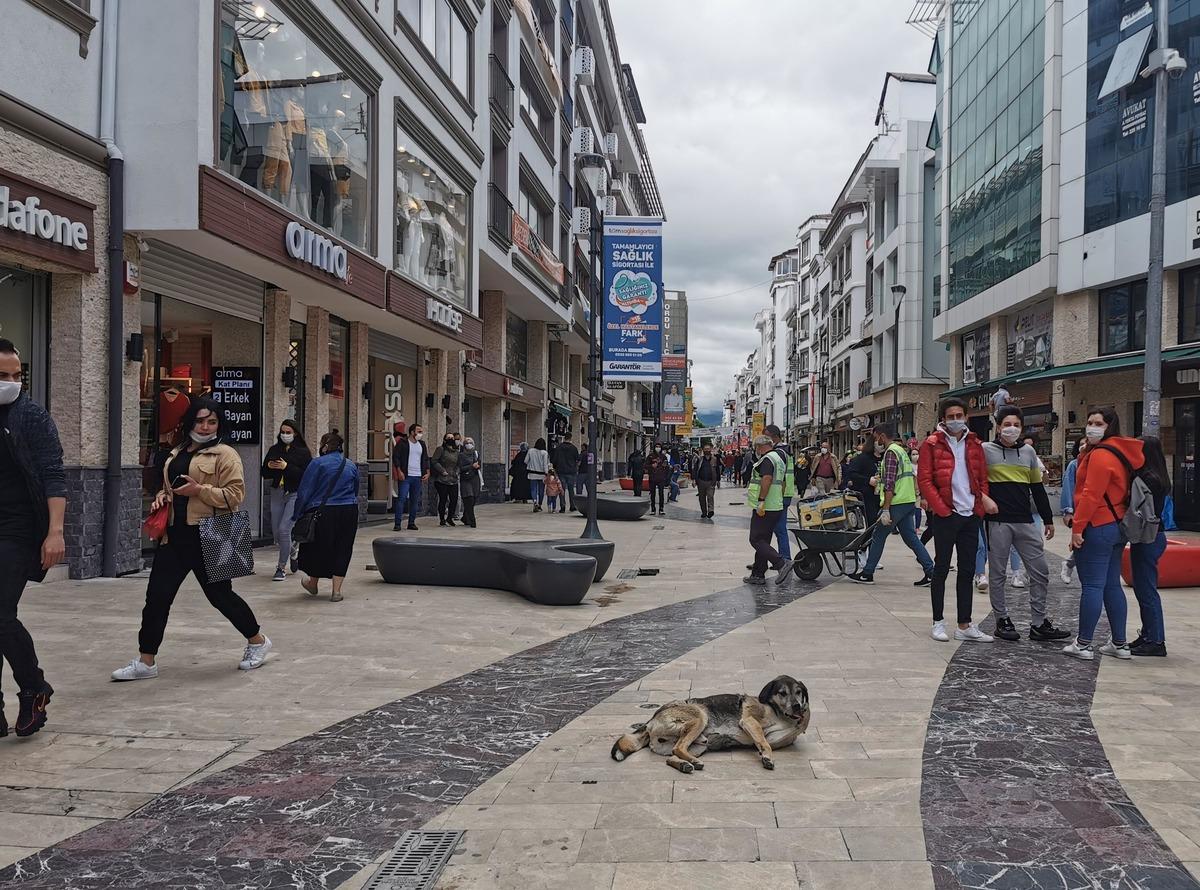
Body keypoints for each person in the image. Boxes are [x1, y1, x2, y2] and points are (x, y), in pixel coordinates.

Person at [112, 398, 271, 681]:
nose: (205, 426)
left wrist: (200, 490)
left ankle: (257, 641)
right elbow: (171, 486)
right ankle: (146, 660)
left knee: (220, 596)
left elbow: (235, 496)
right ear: (190, 422)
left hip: (212, 533)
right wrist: (164, 496)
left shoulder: (225, 454)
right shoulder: (177, 451)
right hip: (174, 536)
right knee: (157, 598)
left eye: (211, 421)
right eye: (200, 421)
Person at [0, 339, 63, 735]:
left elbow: (54, 474)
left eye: (16, 376)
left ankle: (34, 688)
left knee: (1, 614)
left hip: (20, 528)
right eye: (2, 376)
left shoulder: (31, 416)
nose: (11, 382)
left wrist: (55, 532)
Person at [984, 407, 1072, 643]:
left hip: (1025, 521)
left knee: (1040, 571)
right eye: (1006, 424)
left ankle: (1039, 623)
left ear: (1021, 427)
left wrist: (1047, 519)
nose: (1011, 428)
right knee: (998, 574)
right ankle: (1002, 620)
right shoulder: (985, 450)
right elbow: (975, 483)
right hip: (997, 522)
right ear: (998, 426)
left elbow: (1037, 488)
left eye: (1016, 424)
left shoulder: (1028, 452)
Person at [912, 399, 993, 643]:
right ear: (943, 419)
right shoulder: (932, 444)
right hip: (947, 516)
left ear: (966, 417)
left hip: (970, 516)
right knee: (941, 568)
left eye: (960, 415)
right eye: (951, 415)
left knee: (967, 570)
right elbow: (925, 480)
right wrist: (942, 510)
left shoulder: (974, 443)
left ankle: (964, 624)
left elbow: (982, 477)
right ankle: (938, 622)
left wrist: (979, 506)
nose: (956, 419)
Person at [1064, 407, 1138, 660]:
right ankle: (1119, 643)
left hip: (1097, 525)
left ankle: (1083, 643)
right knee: (1110, 586)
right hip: (1117, 526)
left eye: (1099, 423)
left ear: (1110, 426)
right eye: (1090, 422)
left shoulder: (1100, 456)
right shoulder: (1121, 452)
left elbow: (1090, 495)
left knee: (1093, 586)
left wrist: (1077, 528)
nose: (1092, 427)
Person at [848, 424, 936, 589]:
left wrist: (886, 509)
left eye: (876, 437)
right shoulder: (901, 450)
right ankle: (931, 572)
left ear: (882, 436)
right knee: (911, 538)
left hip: (897, 502)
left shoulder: (890, 453)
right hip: (908, 500)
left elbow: (890, 484)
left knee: (878, 535)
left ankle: (867, 573)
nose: (876, 441)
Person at [294, 431, 359, 602]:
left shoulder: (317, 464)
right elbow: (356, 489)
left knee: (317, 547)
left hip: (324, 512)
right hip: (349, 510)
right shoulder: (351, 465)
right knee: (343, 547)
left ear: (324, 446)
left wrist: (298, 513)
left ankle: (312, 583)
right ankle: (336, 591)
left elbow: (304, 491)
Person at [1128, 436, 1170, 657]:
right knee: (1144, 588)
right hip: (1155, 536)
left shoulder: (1147, 478)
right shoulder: (1159, 476)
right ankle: (1148, 634)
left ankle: (1155, 639)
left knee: (1146, 590)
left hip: (1148, 536)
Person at [261, 420, 311, 580]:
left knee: (284, 529)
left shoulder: (303, 452)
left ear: (295, 433)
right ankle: (293, 552)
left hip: (294, 493)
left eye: (288, 432)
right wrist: (269, 466)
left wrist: (286, 467)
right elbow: (264, 472)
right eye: (282, 431)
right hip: (277, 491)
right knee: (277, 533)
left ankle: (281, 567)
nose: (284, 435)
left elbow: (306, 476)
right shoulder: (274, 449)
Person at [744, 434, 796, 586]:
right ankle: (758, 574)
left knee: (755, 539)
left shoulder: (768, 459)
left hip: (766, 506)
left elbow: (767, 479)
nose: (756, 450)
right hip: (775, 504)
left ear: (761, 446)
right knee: (764, 539)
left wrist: (761, 501)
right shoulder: (779, 458)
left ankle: (781, 563)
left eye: (756, 447)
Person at [1059, 438, 1087, 584]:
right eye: (1081, 443)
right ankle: (1069, 564)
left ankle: (1069, 563)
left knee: (1086, 542)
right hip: (1079, 510)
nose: (1084, 446)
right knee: (1081, 540)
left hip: (1097, 511)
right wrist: (1068, 511)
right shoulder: (1074, 465)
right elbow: (1068, 487)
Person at [765, 425, 795, 560]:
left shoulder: (779, 452)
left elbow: (780, 476)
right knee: (773, 529)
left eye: (766, 436)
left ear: (774, 436)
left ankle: (785, 559)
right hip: (783, 494)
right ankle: (774, 558)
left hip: (781, 495)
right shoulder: (784, 450)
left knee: (779, 529)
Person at [391, 423, 429, 531]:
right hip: (406, 475)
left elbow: (425, 458)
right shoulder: (403, 443)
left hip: (417, 476)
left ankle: (411, 522)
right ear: (412, 432)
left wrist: (427, 471)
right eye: (418, 431)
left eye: (421, 431)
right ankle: (397, 523)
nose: (420, 434)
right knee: (401, 499)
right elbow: (396, 457)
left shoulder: (422, 444)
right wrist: (399, 471)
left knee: (414, 500)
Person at [844, 438, 881, 527]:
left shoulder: (886, 457)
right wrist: (868, 480)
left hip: (883, 495)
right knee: (872, 521)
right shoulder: (861, 459)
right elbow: (852, 474)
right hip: (867, 495)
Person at [430, 433, 461, 526]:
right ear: (444, 439)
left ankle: (450, 518)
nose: (451, 439)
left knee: (454, 500)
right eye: (449, 438)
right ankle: (442, 518)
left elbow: (459, 464)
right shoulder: (441, 449)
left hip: (453, 479)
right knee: (443, 500)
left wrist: (457, 472)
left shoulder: (457, 452)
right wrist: (442, 470)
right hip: (442, 479)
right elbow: (434, 461)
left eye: (452, 438)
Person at [551, 433, 580, 512]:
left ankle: (562, 506)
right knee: (571, 490)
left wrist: (554, 468)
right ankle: (572, 506)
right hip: (571, 471)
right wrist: (575, 467)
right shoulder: (574, 448)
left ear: (564, 437)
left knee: (561, 489)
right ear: (571, 438)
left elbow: (554, 460)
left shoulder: (559, 447)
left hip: (561, 471)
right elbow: (577, 459)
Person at [691, 443, 721, 519]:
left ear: (711, 450)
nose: (707, 450)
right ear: (703, 450)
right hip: (701, 481)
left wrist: (718, 480)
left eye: (708, 449)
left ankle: (711, 511)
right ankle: (704, 512)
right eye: (705, 449)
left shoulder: (714, 459)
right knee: (702, 498)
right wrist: (694, 479)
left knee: (710, 496)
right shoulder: (700, 459)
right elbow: (695, 469)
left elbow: (717, 470)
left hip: (711, 481)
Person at [459, 437, 481, 528]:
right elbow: (461, 468)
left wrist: (477, 466)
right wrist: (471, 466)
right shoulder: (461, 455)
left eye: (470, 442)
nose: (469, 444)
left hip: (475, 478)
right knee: (469, 498)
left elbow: (479, 464)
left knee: (474, 498)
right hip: (465, 479)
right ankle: (472, 520)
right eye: (467, 443)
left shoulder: (476, 453)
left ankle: (465, 517)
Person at [525, 438, 549, 511]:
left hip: (532, 473)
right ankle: (540, 504)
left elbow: (525, 461)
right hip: (542, 474)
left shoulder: (530, 451)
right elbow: (545, 464)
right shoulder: (544, 453)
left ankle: (534, 502)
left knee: (533, 489)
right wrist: (546, 473)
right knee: (541, 490)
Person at [647, 445, 671, 515]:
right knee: (652, 494)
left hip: (661, 478)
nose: (658, 448)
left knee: (661, 494)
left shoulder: (663, 457)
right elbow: (645, 466)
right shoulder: (650, 456)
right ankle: (653, 509)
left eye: (659, 447)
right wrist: (651, 466)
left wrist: (665, 476)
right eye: (656, 446)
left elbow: (667, 468)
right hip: (652, 478)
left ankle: (661, 509)